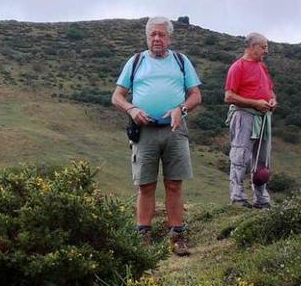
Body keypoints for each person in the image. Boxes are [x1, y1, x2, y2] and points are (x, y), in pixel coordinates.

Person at [111, 16, 202, 256]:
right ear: (147, 37)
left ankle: (177, 235)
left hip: (175, 129)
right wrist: (132, 109)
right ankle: (143, 236)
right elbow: (117, 96)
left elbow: (195, 96)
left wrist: (180, 109)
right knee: (145, 185)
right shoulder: (136, 61)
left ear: (169, 37)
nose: (157, 39)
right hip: (144, 131)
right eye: (153, 35)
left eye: (161, 34)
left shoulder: (181, 62)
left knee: (174, 184)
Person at [224, 32, 277, 209]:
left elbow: (269, 90)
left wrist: (272, 101)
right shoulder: (237, 67)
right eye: (264, 47)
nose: (266, 51)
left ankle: (261, 199)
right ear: (252, 46)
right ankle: (237, 197)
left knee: (262, 161)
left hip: (263, 118)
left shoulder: (262, 67)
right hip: (244, 116)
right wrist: (255, 103)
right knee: (240, 157)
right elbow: (229, 96)